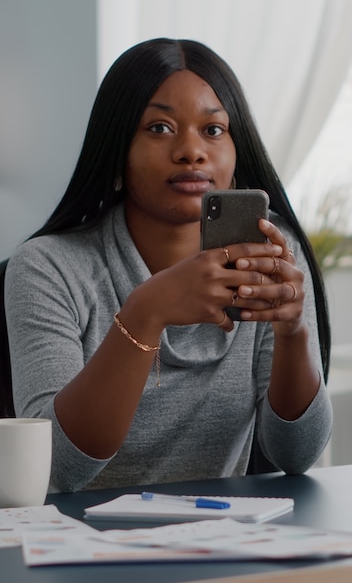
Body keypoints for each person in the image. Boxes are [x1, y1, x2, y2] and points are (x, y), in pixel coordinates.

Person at [4, 38, 332, 492]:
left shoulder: (268, 255)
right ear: (117, 149)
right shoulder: (48, 268)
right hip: (78, 548)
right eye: (159, 128)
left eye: (213, 130)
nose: (191, 151)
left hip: (221, 541)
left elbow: (297, 457)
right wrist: (146, 311)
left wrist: (292, 333)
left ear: (238, 153)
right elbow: (59, 471)